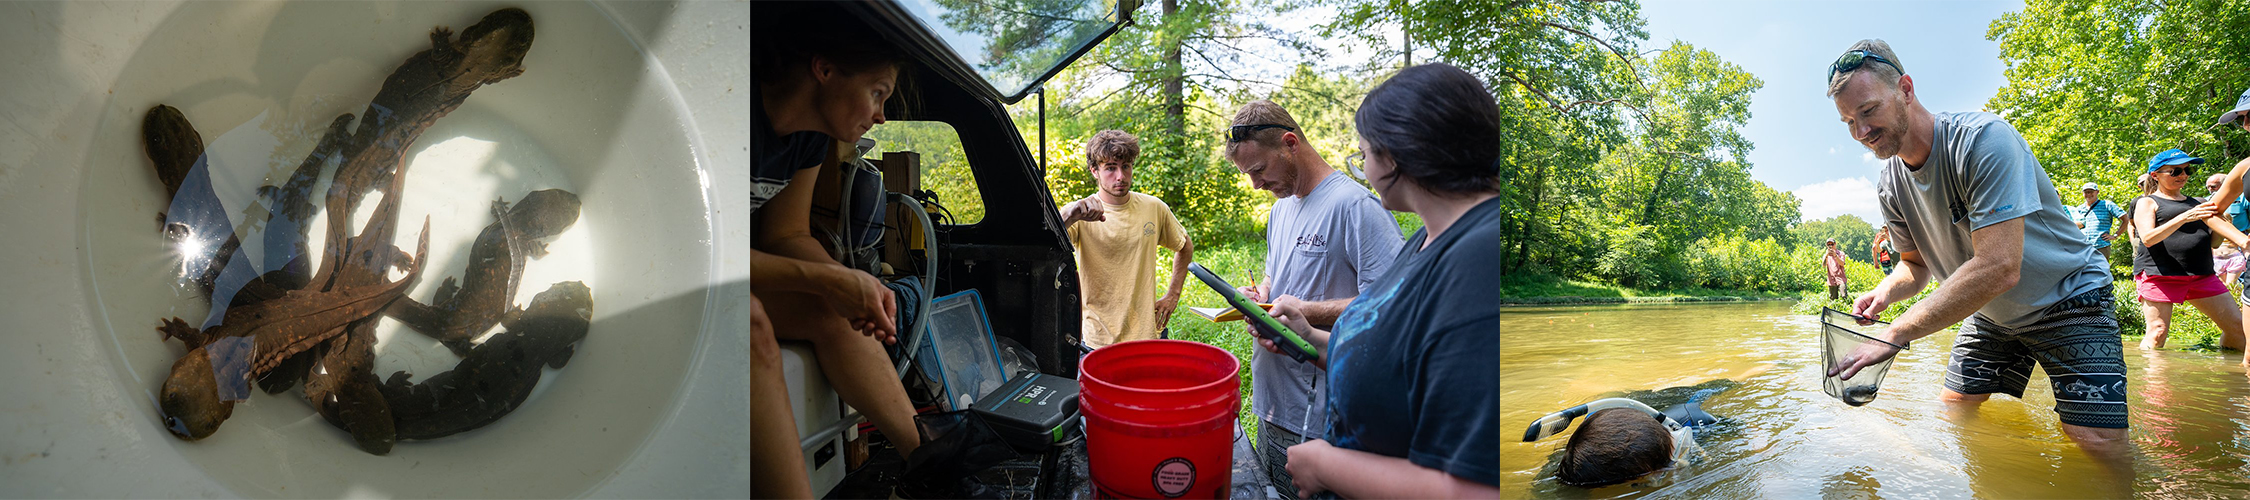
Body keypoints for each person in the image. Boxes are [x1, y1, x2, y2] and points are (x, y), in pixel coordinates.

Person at [1818, 39, 2130, 470]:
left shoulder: (1983, 140)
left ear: (1906, 89)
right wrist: (1885, 293)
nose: (1861, 132)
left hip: (2068, 297)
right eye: (1848, 121)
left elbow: (1999, 267)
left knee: (2096, 443)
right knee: (1956, 410)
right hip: (1991, 314)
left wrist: (1895, 333)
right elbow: (1914, 265)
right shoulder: (1889, 184)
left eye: (1868, 111)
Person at [1259, 63, 1499, 498]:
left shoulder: (1476, 257)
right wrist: (1308, 337)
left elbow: (1475, 488)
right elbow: (1393, 359)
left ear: (1398, 155)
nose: (1361, 166)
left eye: (1364, 154)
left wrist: (1328, 466)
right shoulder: (1426, 239)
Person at [750, 27, 921, 499]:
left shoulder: (807, 140)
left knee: (836, 306)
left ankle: (930, 464)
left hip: (728, 273)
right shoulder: (732, 113)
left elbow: (786, 235)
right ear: (824, 69)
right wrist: (828, 278)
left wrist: (849, 283)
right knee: (749, 322)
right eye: (877, 93)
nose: (881, 115)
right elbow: (693, 258)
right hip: (670, 277)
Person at [1221, 100, 1404, 499]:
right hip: (1270, 407)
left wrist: (1308, 311)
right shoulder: (1281, 209)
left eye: (1258, 170)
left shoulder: (1356, 206)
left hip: (1324, 420)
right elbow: (1276, 273)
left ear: (1290, 144)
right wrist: (1262, 294)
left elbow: (1394, 306)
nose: (1255, 184)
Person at [1057, 130, 1194, 347]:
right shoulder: (1079, 213)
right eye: (1110, 168)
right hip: (1096, 339)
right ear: (1095, 171)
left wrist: (1172, 295)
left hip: (1147, 334)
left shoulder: (1154, 208)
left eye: (1126, 167)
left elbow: (1185, 246)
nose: (1120, 176)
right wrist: (1069, 216)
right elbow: (1044, 246)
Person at [2130, 149, 2250, 351]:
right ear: (2155, 175)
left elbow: (2213, 244)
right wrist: (2185, 217)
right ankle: (2151, 381)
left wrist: (2222, 225)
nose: (2183, 175)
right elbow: (2149, 239)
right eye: (2175, 171)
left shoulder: (2201, 203)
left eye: (2187, 170)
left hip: (2201, 275)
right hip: (2159, 275)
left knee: (2239, 329)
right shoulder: (2147, 202)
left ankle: (2230, 373)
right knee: (2157, 332)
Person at [2066, 182, 2126, 264]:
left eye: (2091, 191)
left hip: (2101, 246)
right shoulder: (2079, 209)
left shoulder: (2107, 205)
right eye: (2086, 192)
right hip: (2083, 248)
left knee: (2101, 273)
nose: (2088, 194)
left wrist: (2115, 235)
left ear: (2097, 192)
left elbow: (2125, 219)